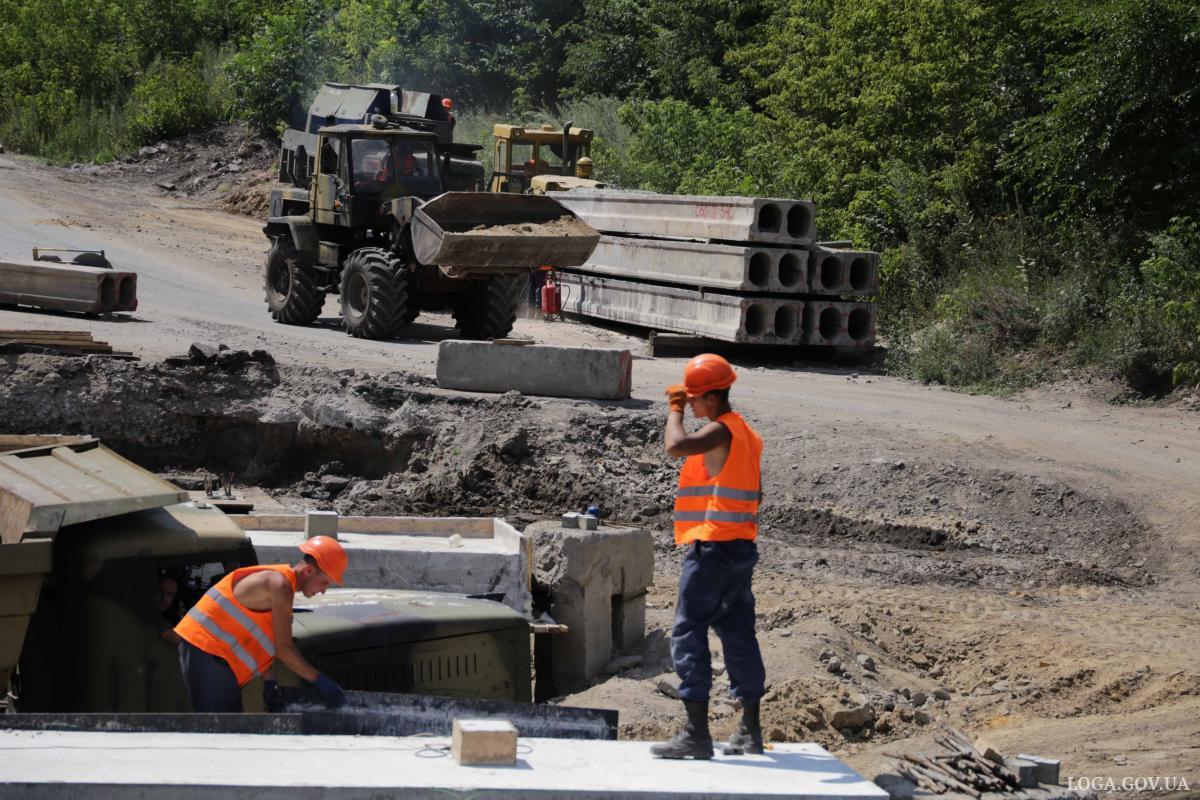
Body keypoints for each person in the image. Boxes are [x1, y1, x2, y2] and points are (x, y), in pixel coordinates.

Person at [652, 354, 766, 759]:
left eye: (696, 400)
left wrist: (674, 408)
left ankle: (696, 734)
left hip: (713, 550)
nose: (693, 407)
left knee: (687, 631)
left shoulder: (720, 431)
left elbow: (675, 446)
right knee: (737, 634)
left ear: (712, 398)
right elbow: (755, 492)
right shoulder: (748, 435)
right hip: (739, 549)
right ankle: (750, 732)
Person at [173, 536, 349, 713]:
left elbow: (261, 638)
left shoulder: (281, 586)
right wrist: (321, 681)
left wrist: (270, 681)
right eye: (325, 582)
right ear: (309, 571)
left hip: (209, 654)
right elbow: (284, 649)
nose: (324, 590)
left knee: (227, 728)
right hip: (205, 649)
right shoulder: (280, 586)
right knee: (222, 730)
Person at [158, 571, 182, 646]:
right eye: (160, 592)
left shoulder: (173, 616)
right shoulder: (147, 614)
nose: (163, 597)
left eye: (169, 594)